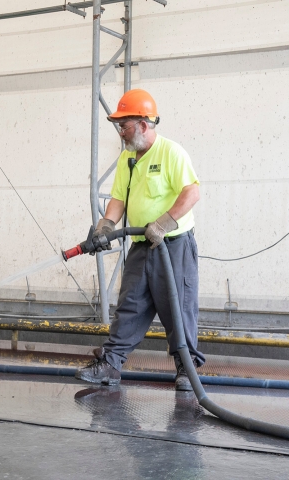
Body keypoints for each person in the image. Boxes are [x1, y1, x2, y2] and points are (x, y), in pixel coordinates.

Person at [75, 89, 205, 391]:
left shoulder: (171, 152)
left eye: (126, 124)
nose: (121, 131)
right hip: (141, 245)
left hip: (173, 246)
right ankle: (110, 365)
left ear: (144, 124)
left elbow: (192, 192)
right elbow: (119, 199)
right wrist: (105, 227)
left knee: (179, 307)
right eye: (120, 125)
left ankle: (188, 370)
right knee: (130, 304)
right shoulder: (127, 159)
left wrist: (164, 222)